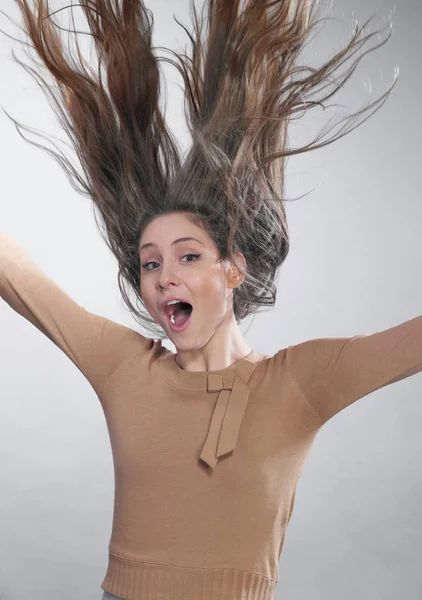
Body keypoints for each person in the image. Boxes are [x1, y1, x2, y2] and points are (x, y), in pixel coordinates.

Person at [1, 2, 416, 600]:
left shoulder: (298, 382)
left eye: (189, 256)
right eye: (150, 263)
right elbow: (17, 275)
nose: (165, 275)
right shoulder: (124, 367)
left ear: (233, 269)